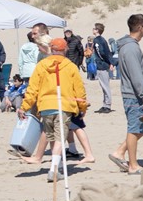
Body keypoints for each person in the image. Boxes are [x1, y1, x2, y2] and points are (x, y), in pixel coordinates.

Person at [22, 37, 89, 181]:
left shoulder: (41, 65)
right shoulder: (70, 65)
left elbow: (32, 89)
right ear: (65, 49)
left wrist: (25, 106)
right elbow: (79, 89)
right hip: (63, 106)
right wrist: (82, 106)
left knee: (53, 137)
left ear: (52, 49)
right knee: (59, 138)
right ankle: (53, 169)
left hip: (46, 106)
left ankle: (55, 166)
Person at [108, 13, 143, 174]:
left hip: (135, 94)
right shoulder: (130, 48)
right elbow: (136, 75)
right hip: (134, 95)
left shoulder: (130, 46)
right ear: (140, 27)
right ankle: (133, 165)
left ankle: (120, 152)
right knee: (135, 128)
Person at [88, 23, 114, 113]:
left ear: (97, 30)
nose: (93, 30)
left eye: (94, 28)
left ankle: (108, 105)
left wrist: (109, 63)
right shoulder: (100, 40)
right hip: (102, 65)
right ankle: (105, 104)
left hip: (102, 65)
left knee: (105, 86)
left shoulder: (98, 40)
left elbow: (103, 53)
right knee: (103, 86)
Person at [16, 28, 42, 103]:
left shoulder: (23, 47)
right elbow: (37, 59)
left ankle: (29, 103)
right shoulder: (36, 47)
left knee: (28, 89)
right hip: (34, 69)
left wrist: (21, 73)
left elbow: (20, 61)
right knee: (36, 88)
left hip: (26, 70)